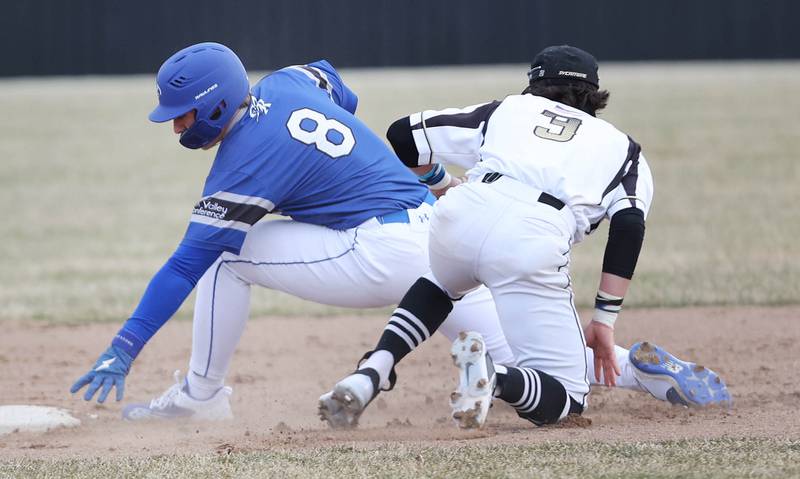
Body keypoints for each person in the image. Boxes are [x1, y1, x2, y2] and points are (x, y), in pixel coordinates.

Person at [319, 45, 731, 429]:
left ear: (534, 85)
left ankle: (374, 369)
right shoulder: (624, 150)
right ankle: (495, 378)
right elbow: (628, 226)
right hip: (534, 236)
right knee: (567, 400)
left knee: (441, 284)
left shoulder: (509, 110)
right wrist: (604, 319)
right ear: (594, 96)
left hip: (466, 210)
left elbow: (403, 135)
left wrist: (442, 183)